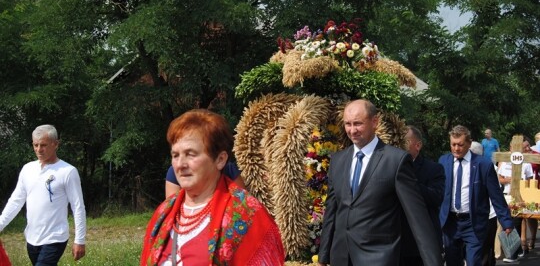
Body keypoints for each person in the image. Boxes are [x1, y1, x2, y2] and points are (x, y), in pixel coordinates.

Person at [140, 109, 284, 265]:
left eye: (190, 154)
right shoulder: (163, 213)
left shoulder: (247, 214)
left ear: (220, 160)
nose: (180, 164)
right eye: (175, 155)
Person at [317, 99, 443, 266]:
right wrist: (323, 256)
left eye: (358, 124)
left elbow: (417, 217)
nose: (352, 130)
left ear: (374, 122)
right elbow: (332, 211)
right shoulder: (338, 160)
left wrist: (433, 262)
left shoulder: (395, 160)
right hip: (341, 257)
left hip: (378, 258)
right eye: (348, 124)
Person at [0, 125, 86, 265]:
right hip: (32, 238)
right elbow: (16, 201)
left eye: (44, 145)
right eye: (36, 145)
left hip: (54, 238)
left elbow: (78, 207)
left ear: (56, 144)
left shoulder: (67, 171)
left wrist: (80, 240)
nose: (39, 149)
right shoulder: (28, 169)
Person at [439, 125, 514, 266]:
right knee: (452, 262)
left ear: (469, 143)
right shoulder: (444, 161)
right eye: (453, 144)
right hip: (450, 223)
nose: (456, 149)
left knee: (474, 261)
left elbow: (496, 195)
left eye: (460, 145)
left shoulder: (483, 164)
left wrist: (506, 221)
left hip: (473, 223)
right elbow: (439, 192)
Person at [399, 125, 445, 266]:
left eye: (404, 142)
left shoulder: (433, 169)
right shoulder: (388, 167)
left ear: (417, 145)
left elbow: (436, 198)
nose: (399, 145)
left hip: (420, 244)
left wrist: (409, 181)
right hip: (395, 241)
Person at [497, 136, 534, 262]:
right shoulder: (506, 160)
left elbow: (530, 180)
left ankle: (514, 252)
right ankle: (513, 250)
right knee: (506, 222)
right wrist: (509, 180)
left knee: (517, 222)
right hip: (507, 195)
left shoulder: (527, 162)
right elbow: (500, 179)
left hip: (520, 196)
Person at [471, 141, 499, 266]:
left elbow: (495, 193)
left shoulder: (488, 166)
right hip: (475, 215)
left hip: (487, 214)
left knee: (485, 251)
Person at [165, 161, 244, 197]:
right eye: (175, 155)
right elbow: (171, 209)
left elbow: (243, 205)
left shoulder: (228, 168)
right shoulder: (174, 171)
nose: (180, 164)